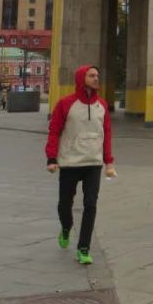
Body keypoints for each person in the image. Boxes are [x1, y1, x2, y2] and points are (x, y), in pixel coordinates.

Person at [45, 65, 116, 266]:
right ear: (81, 78)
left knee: (90, 205)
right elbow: (54, 131)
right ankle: (66, 227)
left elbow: (106, 133)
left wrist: (109, 161)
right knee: (64, 203)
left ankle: (84, 248)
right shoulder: (66, 104)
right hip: (70, 162)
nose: (96, 78)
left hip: (93, 162)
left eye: (97, 75)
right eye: (91, 75)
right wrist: (52, 158)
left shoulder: (102, 105)